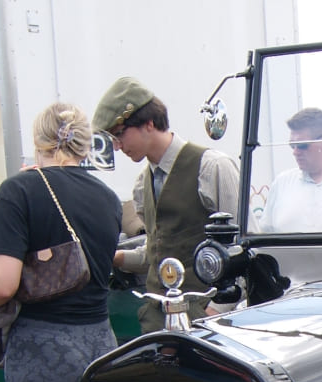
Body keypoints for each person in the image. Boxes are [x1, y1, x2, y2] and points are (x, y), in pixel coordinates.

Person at [0, 103, 121, 382]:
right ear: (84, 145)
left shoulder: (18, 190)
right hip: (102, 348)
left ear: (38, 142)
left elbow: (4, 284)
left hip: (42, 353)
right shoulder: (108, 198)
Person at [93, 77, 239, 332]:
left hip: (208, 323)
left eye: (119, 134)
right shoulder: (142, 184)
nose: (117, 147)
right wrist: (111, 257)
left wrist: (219, 308)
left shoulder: (212, 167)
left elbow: (246, 245)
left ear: (149, 123)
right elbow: (157, 251)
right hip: (158, 321)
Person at [258, 107, 322, 233]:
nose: (295, 152)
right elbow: (264, 234)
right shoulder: (281, 183)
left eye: (302, 145)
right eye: (292, 146)